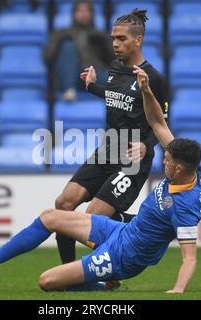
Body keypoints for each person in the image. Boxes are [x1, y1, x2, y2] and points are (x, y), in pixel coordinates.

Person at [0, 65, 201, 293]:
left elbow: (190, 258)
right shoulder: (191, 166)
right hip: (124, 231)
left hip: (124, 256)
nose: (164, 161)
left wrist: (178, 290)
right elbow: (158, 122)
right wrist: (147, 91)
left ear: (181, 167)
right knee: (51, 215)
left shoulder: (185, 205)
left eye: (168, 161)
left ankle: (100, 284)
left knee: (47, 282)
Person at [53, 8, 169, 266]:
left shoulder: (153, 78)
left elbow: (163, 121)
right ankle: (67, 273)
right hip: (108, 148)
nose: (115, 44)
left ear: (138, 40)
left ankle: (137, 229)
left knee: (93, 216)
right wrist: (93, 86)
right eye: (113, 38)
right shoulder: (116, 68)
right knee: (64, 203)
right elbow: (117, 98)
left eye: (121, 39)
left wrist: (146, 146)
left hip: (132, 159)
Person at [44, 0, 114, 101]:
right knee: (67, 46)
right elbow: (47, 57)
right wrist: (58, 41)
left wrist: (105, 44)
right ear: (74, 13)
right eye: (80, 11)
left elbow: (114, 61)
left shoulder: (99, 35)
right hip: (71, 76)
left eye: (86, 11)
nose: (83, 14)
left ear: (91, 14)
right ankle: (69, 91)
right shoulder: (62, 34)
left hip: (95, 75)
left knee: (120, 78)